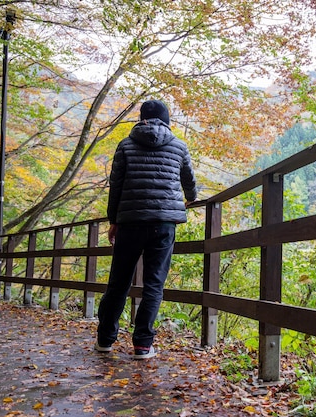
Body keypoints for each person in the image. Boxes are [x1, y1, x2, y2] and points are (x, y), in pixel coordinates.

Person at [95, 99, 197, 359]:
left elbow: (115, 187)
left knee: (119, 282)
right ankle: (142, 344)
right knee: (154, 284)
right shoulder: (178, 146)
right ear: (167, 120)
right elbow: (189, 181)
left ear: (141, 118)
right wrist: (191, 198)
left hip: (130, 221)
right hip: (163, 223)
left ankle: (105, 340)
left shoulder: (126, 145)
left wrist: (113, 221)